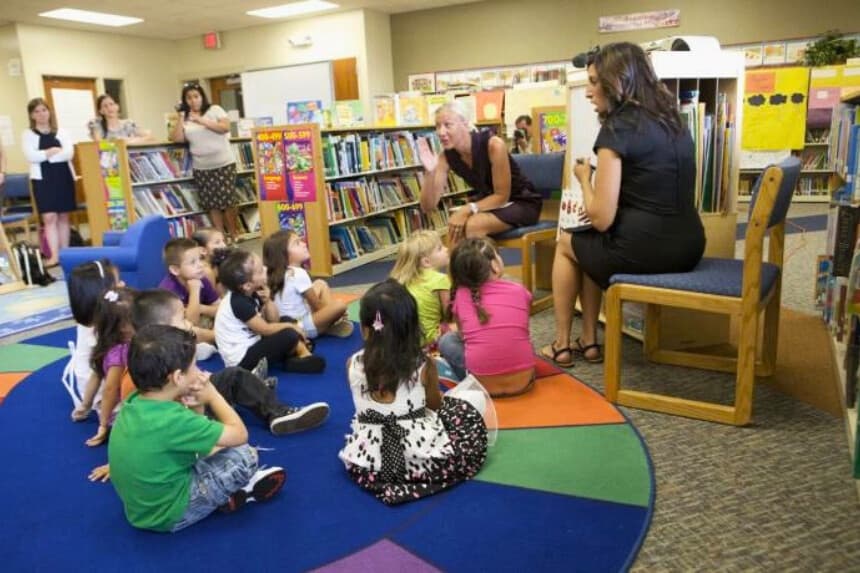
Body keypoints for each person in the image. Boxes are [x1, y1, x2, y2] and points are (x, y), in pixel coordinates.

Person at [540, 42, 706, 368]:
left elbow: (601, 217)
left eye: (592, 81)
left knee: (565, 244)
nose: (588, 92)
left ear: (616, 82)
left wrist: (584, 178)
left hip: (647, 249)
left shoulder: (617, 128)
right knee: (586, 243)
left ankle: (561, 344)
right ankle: (588, 342)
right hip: (689, 244)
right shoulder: (672, 120)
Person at [106, 324, 286, 531]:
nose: (199, 371)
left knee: (213, 448)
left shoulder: (135, 402)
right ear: (177, 377)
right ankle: (235, 490)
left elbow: (194, 445)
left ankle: (225, 496)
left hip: (141, 511)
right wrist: (212, 395)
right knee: (246, 455)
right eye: (194, 366)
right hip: (171, 513)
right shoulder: (172, 419)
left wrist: (198, 404)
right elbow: (240, 435)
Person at [338, 279, 489, 505]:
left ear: (365, 328)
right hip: (418, 460)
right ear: (410, 328)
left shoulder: (352, 363)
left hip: (370, 463)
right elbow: (435, 406)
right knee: (472, 401)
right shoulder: (422, 365)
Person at [418, 101, 542, 246]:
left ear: (465, 123)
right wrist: (430, 173)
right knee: (456, 229)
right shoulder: (445, 157)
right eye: (437, 126)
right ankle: (462, 268)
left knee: (473, 225)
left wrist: (467, 209)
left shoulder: (494, 145)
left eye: (447, 125)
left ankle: (482, 268)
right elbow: (428, 206)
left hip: (521, 203)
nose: (441, 132)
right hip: (488, 204)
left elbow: (501, 196)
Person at [439, 238, 535, 397]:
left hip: (481, 387)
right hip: (524, 382)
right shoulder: (519, 290)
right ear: (495, 266)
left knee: (447, 340)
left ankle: (466, 381)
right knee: (522, 339)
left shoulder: (460, 296)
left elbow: (464, 337)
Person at [215, 249, 325, 373]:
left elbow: (274, 320)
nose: (265, 269)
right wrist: (292, 328)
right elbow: (265, 329)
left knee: (286, 320)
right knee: (289, 332)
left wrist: (268, 301)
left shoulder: (251, 292)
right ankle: (302, 354)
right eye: (260, 271)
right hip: (241, 361)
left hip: (254, 342)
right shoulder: (238, 302)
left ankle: (295, 355)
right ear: (247, 285)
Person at [170, 84, 239, 241]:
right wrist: (181, 117)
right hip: (201, 166)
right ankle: (220, 237)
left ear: (202, 96)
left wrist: (201, 120)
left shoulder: (214, 110)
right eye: (189, 98)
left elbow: (225, 128)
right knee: (212, 203)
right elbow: (177, 138)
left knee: (228, 201)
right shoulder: (186, 117)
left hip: (223, 163)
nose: (193, 100)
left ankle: (234, 234)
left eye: (196, 96)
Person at [263, 229, 353, 339]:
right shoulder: (298, 273)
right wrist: (334, 314)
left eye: (300, 240)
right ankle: (332, 324)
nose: (304, 244)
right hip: (301, 328)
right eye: (297, 243)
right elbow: (317, 305)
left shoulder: (273, 272)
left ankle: (330, 325)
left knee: (320, 283)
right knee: (340, 305)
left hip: (285, 325)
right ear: (283, 255)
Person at [22, 97, 76, 266]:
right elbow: (31, 156)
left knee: (63, 217)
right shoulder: (28, 134)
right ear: (32, 115)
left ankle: (65, 253)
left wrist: (45, 155)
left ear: (49, 112)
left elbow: (69, 153)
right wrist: (51, 151)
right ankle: (54, 256)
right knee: (49, 217)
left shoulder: (62, 132)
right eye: (36, 111)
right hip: (43, 179)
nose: (41, 114)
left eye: (44, 110)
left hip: (63, 176)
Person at [67, 260, 123, 421]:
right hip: (96, 382)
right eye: (118, 282)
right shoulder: (97, 327)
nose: (123, 284)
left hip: (101, 372)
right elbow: (99, 372)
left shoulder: (94, 316)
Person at [85, 286, 137, 447]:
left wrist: (85, 405)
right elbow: (110, 389)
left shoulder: (117, 343)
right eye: (137, 318)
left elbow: (96, 375)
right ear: (123, 327)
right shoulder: (120, 352)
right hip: (126, 405)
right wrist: (103, 424)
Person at [389, 229, 451, 348]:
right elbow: (450, 315)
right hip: (430, 339)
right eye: (440, 248)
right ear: (426, 262)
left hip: (404, 341)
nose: (446, 249)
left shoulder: (401, 280)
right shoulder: (440, 280)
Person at [158, 237, 220, 344]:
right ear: (175, 270)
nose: (201, 265)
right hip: (180, 330)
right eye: (192, 262)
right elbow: (191, 322)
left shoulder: (202, 279)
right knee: (190, 331)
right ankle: (217, 338)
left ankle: (215, 339)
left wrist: (201, 308)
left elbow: (220, 308)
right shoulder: (168, 291)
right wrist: (195, 290)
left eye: (200, 258)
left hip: (202, 322)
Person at [87, 94, 152, 143]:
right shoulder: (96, 124)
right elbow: (99, 143)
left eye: (111, 104)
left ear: (117, 106)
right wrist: (120, 143)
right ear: (101, 111)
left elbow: (149, 137)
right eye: (105, 106)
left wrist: (131, 141)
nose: (109, 108)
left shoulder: (128, 124)